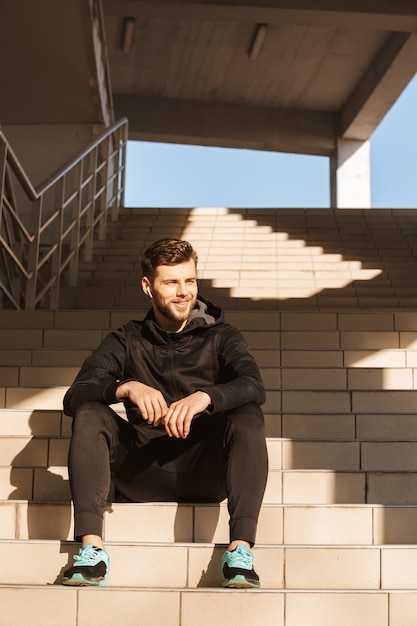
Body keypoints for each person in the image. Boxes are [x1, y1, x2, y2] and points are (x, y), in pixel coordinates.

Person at [61, 238, 268, 588]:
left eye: (189, 281)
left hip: (205, 471)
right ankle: (92, 552)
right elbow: (74, 395)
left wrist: (208, 396)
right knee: (90, 413)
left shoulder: (221, 337)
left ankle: (240, 552)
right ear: (148, 286)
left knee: (247, 413)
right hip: (141, 470)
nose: (184, 291)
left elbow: (254, 385)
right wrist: (124, 387)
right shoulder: (126, 339)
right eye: (171, 282)